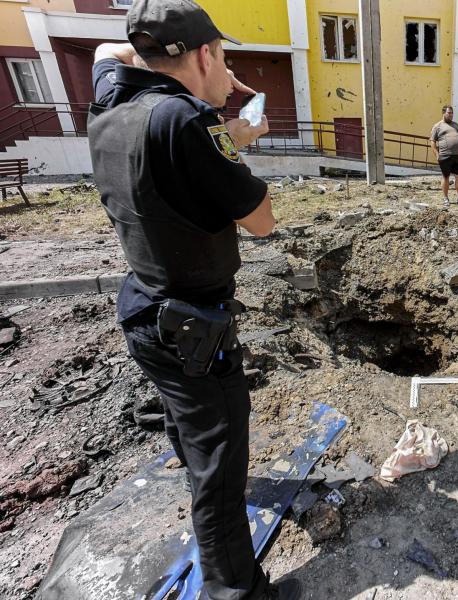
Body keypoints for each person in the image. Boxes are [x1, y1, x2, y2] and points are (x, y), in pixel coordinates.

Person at [87, 2, 297, 599]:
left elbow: (108, 55)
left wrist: (182, 65)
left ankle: (189, 456)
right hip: (193, 329)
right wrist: (235, 137)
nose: (229, 72)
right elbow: (262, 220)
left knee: (186, 420)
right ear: (205, 54)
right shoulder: (191, 123)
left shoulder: (111, 104)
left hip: (142, 307)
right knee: (220, 469)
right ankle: (233, 590)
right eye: (222, 56)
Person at [430, 105, 458, 207]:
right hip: (445, 156)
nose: (451, 115)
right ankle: (446, 198)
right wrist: (437, 155)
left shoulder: (456, 125)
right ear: (443, 113)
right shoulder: (438, 126)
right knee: (446, 177)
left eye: (452, 113)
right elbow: (432, 141)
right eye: (449, 113)